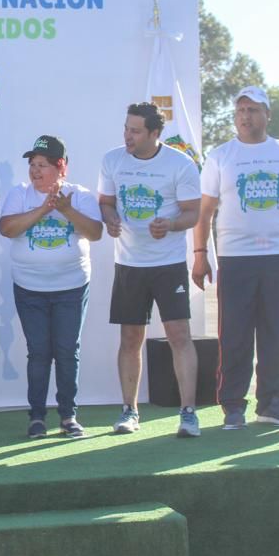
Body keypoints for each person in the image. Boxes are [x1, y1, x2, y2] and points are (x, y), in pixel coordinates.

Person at [192, 86, 279, 429]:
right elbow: (204, 212)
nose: (246, 116)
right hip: (235, 257)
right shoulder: (221, 156)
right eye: (241, 110)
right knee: (235, 335)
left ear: (267, 115)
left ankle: (272, 403)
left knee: (276, 333)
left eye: (254, 110)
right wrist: (200, 254)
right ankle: (233, 405)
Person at [99, 103, 202, 438]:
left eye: (135, 131)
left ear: (155, 133)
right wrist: (110, 219)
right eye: (126, 129)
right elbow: (106, 202)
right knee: (130, 338)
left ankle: (188, 414)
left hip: (168, 265)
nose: (127, 136)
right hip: (129, 264)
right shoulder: (112, 160)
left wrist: (170, 224)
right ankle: (129, 411)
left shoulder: (180, 164)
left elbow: (193, 213)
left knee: (179, 336)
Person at [0, 135, 103, 438]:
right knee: (39, 352)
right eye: (32, 164)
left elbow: (95, 233)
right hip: (29, 288)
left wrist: (66, 210)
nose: (35, 171)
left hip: (71, 287)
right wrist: (44, 208)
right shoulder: (19, 194)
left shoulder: (80, 196)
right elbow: (7, 229)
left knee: (67, 351)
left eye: (42, 165)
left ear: (61, 167)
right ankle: (37, 417)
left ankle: (68, 416)